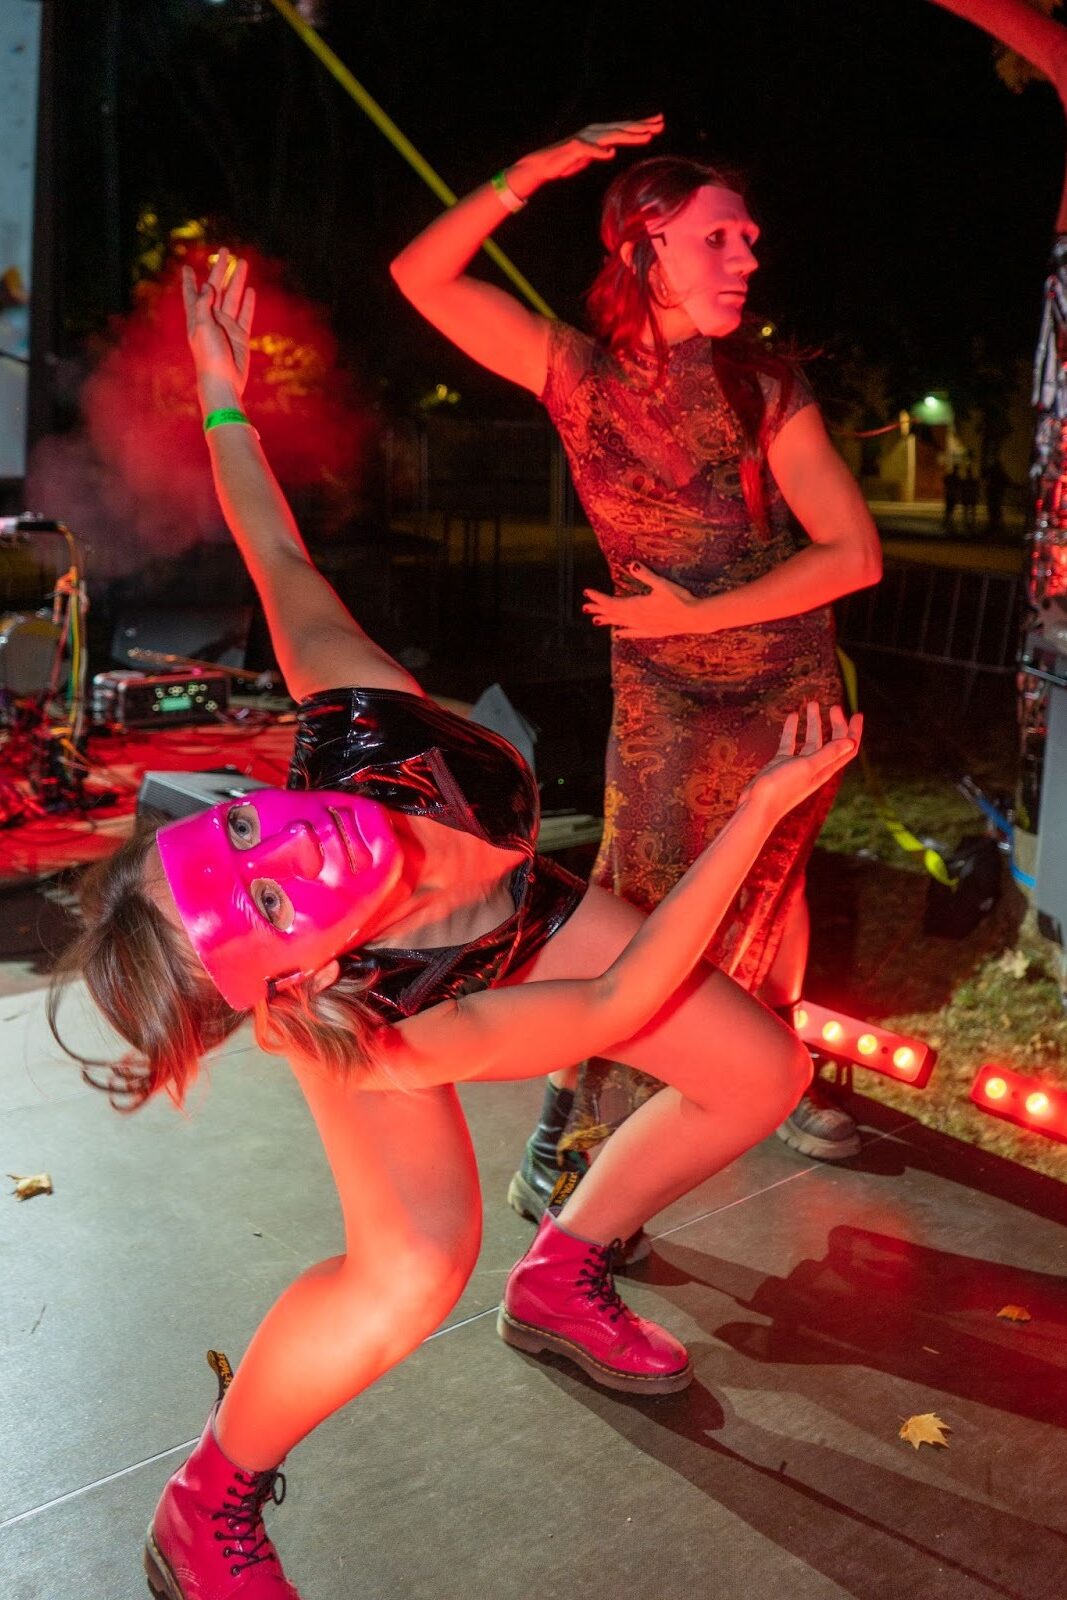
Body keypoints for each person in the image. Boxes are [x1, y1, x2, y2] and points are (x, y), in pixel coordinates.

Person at [50, 250, 859, 1599]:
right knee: (412, 1269)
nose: (287, 841)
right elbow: (612, 1008)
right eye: (266, 901)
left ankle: (564, 1271)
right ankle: (206, 1503)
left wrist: (220, 396)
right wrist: (762, 806)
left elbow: (272, 547)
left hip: (510, 910)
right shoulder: (378, 1026)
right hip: (426, 985)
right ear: (299, 967)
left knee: (758, 1070)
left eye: (239, 832)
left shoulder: (357, 720)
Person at [390, 116, 882, 1204]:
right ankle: (568, 1127)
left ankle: (772, 1061)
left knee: (771, 881)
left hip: (784, 678)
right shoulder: (574, 373)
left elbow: (851, 554)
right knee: (643, 899)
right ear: (643, 247)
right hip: (663, 689)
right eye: (716, 238)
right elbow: (419, 276)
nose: (744, 258)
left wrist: (701, 613)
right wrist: (530, 171)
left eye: (748, 239)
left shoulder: (764, 387)